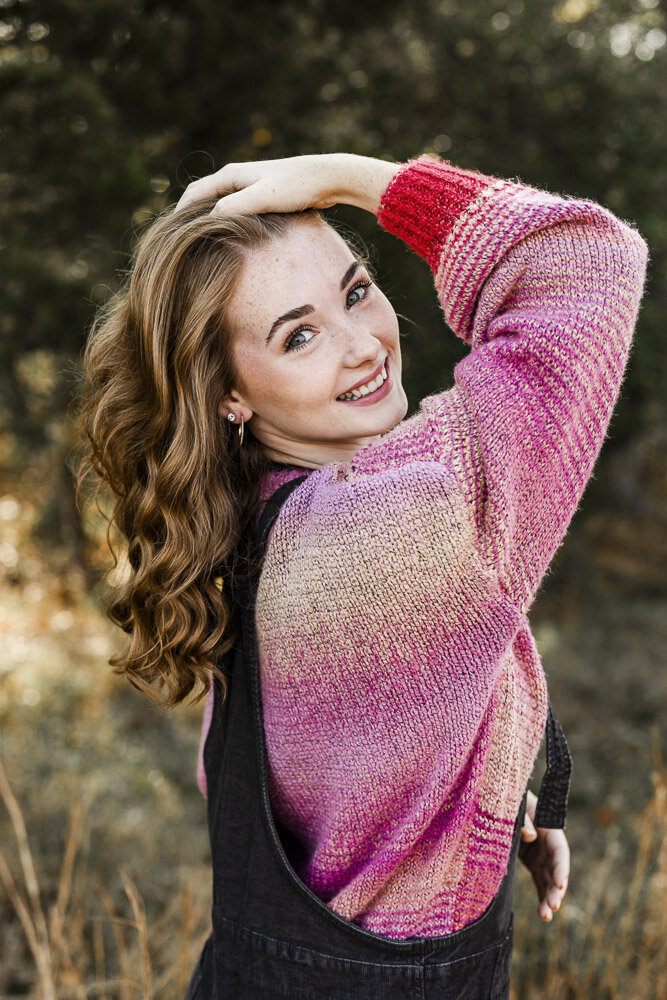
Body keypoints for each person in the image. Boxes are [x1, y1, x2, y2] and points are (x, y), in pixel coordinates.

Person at [79, 151, 648, 998]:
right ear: (228, 391)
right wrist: (353, 177)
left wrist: (467, 801)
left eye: (353, 292)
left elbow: (284, 766)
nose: (362, 346)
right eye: (297, 335)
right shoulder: (398, 516)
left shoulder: (246, 516)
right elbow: (586, 263)